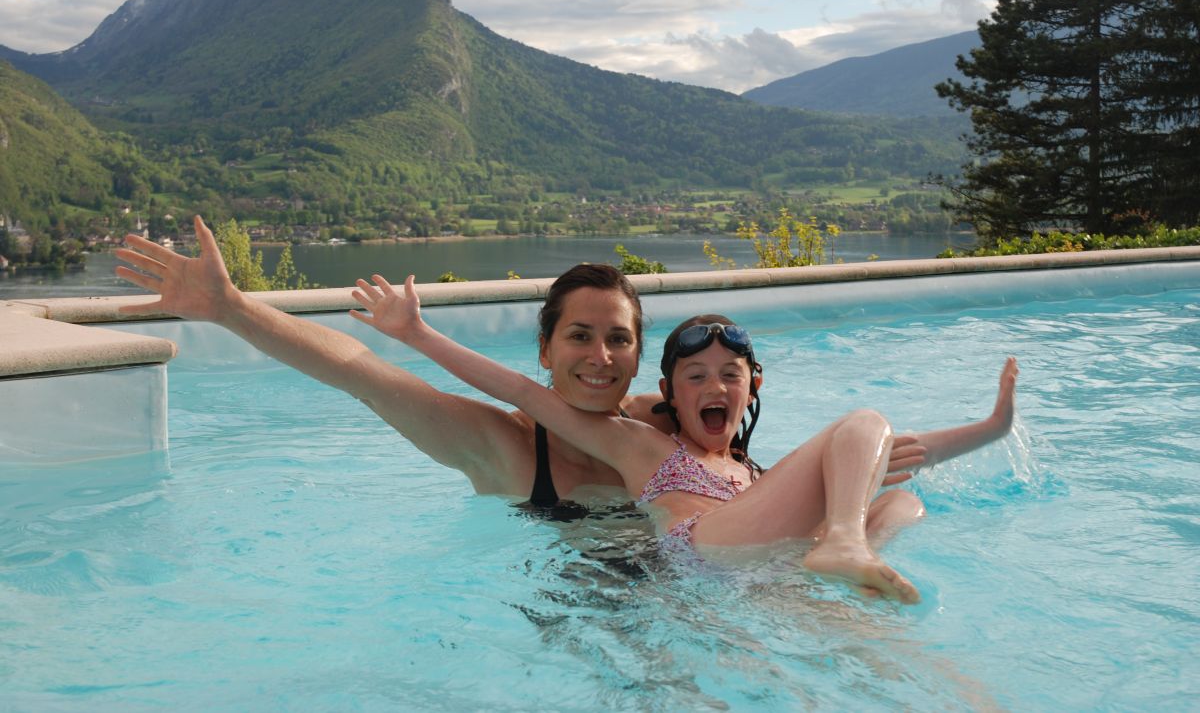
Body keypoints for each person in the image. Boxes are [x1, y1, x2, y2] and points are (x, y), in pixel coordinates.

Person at [115, 216, 1018, 522]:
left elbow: (826, 468)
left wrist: (975, 433)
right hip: (580, 624)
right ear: (543, 351)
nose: (599, 356)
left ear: (643, 357)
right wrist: (232, 308)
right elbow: (360, 370)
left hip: (722, 598)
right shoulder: (507, 449)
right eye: (578, 337)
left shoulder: (670, 423)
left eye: (618, 338)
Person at [349, 272, 1007, 603]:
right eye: (696, 377)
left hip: (763, 565)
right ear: (670, 392)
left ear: (754, 385)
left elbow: (901, 451)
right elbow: (522, 391)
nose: (714, 386)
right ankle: (843, 543)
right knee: (863, 422)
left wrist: (993, 427)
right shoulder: (640, 443)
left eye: (730, 375)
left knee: (899, 498)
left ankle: (847, 553)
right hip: (702, 551)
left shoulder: (755, 474)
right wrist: (417, 335)